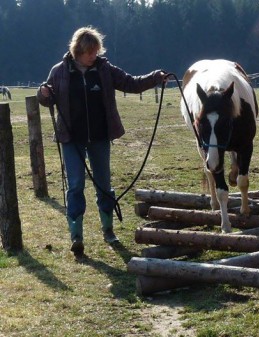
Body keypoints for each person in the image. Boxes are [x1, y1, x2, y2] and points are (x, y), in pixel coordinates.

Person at [37, 26, 167, 258]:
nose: (93, 56)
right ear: (78, 51)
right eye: (89, 52)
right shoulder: (59, 71)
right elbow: (47, 97)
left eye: (96, 51)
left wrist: (155, 78)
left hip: (99, 137)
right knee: (75, 185)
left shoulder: (105, 69)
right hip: (71, 139)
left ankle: (108, 230)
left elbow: (131, 83)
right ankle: (76, 236)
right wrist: (43, 94)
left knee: (103, 184)